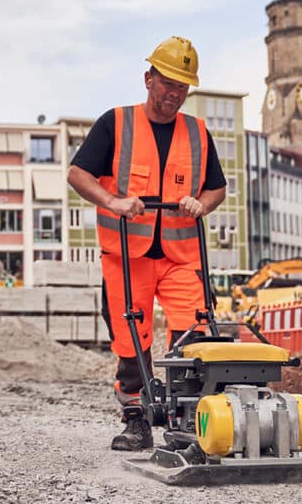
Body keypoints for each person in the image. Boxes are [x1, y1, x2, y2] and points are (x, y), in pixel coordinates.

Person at [67, 36, 227, 451]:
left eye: (182, 86)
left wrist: (200, 204)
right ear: (148, 78)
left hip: (180, 256)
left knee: (192, 336)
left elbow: (217, 189)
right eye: (168, 82)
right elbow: (78, 174)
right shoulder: (115, 124)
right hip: (127, 255)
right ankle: (136, 420)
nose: (175, 93)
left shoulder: (197, 133)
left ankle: (187, 421)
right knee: (129, 341)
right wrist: (113, 201)